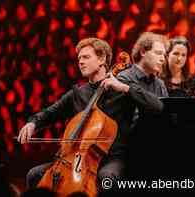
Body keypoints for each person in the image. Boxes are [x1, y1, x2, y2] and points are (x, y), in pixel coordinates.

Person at [17, 35, 168, 195]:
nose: (80, 61)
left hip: (111, 158)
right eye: (79, 58)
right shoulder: (78, 93)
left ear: (102, 59)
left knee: (107, 178)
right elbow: (50, 113)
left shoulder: (120, 87)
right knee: (34, 175)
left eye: (86, 57)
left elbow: (157, 106)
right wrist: (33, 123)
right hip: (76, 159)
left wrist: (124, 88)